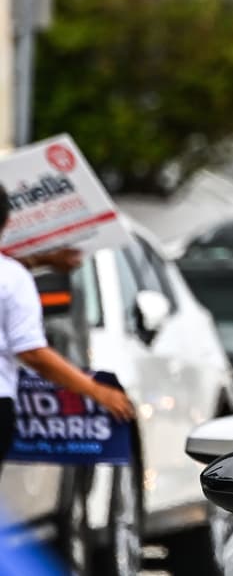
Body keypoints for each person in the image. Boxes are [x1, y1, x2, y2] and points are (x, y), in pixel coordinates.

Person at [0, 187, 134, 476]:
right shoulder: (11, 278)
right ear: (6, 222)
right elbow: (32, 352)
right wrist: (96, 391)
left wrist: (41, 260)